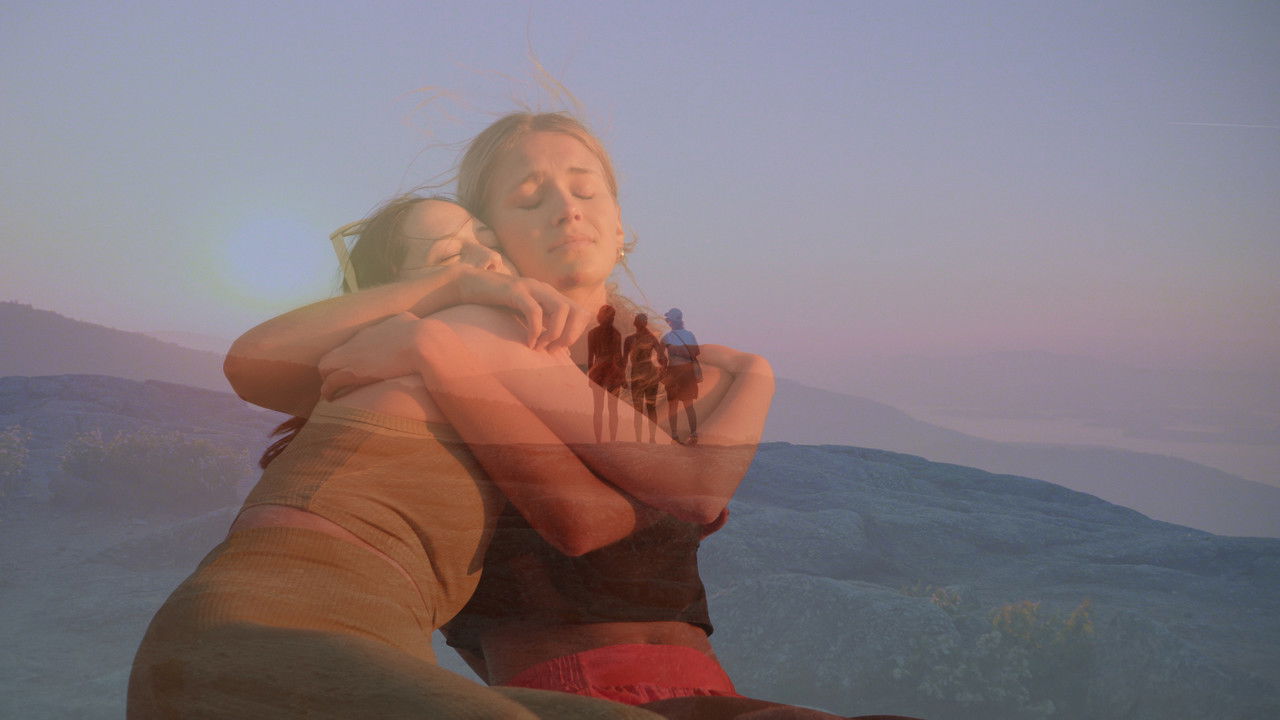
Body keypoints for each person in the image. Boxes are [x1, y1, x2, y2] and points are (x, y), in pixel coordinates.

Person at [218, 112, 905, 718]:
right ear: (500, 243)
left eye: (585, 189)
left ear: (620, 224)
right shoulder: (488, 338)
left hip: (706, 689)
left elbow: (693, 493)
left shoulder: (659, 365)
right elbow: (671, 500)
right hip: (567, 693)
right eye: (528, 198)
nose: (567, 210)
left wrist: (750, 377)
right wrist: (444, 312)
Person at [128, 195, 669, 719]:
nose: (487, 261)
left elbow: (581, 522)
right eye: (448, 255)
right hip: (261, 620)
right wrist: (450, 288)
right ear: (391, 294)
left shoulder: (478, 373)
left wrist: (666, 498)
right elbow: (251, 359)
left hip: (383, 645)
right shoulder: (378, 350)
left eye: (485, 240)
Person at [622, 313, 667, 444]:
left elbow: (624, 361)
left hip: (638, 375)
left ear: (636, 323)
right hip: (650, 374)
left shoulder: (630, 339)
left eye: (636, 320)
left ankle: (640, 439)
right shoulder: (651, 338)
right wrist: (662, 372)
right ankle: (650, 439)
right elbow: (663, 359)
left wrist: (623, 378)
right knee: (650, 407)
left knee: (639, 408)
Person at [660, 307, 701, 444]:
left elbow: (661, 357)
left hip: (674, 372)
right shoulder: (690, 335)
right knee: (689, 405)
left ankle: (674, 435)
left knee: (673, 405)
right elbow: (696, 352)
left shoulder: (667, 337)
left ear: (671, 321)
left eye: (669, 320)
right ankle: (694, 435)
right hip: (688, 372)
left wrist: (673, 352)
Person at [587, 304, 625, 443]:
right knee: (613, 409)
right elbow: (619, 358)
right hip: (614, 373)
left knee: (598, 408)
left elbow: (590, 358)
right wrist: (623, 377)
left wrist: (590, 376)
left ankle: (598, 441)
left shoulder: (592, 333)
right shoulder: (617, 334)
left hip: (597, 372)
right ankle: (613, 441)